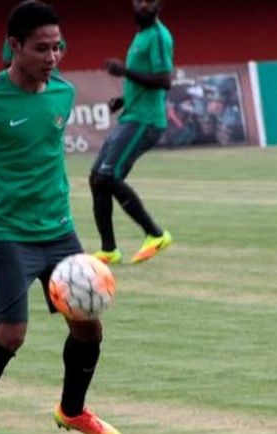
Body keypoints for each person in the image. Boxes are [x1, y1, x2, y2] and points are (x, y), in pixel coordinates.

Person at [0, 1, 121, 434]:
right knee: (9, 335)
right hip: (8, 234)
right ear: (14, 46)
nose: (53, 56)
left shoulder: (63, 92)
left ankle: (72, 410)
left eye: (58, 46)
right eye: (42, 48)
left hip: (60, 232)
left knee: (89, 328)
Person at [90, 0, 174, 264]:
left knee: (107, 175)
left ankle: (156, 235)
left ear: (158, 5)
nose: (142, 6)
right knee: (97, 178)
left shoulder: (159, 36)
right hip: (132, 116)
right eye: (138, 1)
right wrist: (123, 99)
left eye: (148, 2)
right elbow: (145, 79)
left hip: (146, 121)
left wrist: (123, 71)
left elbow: (164, 80)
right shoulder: (142, 35)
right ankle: (109, 250)